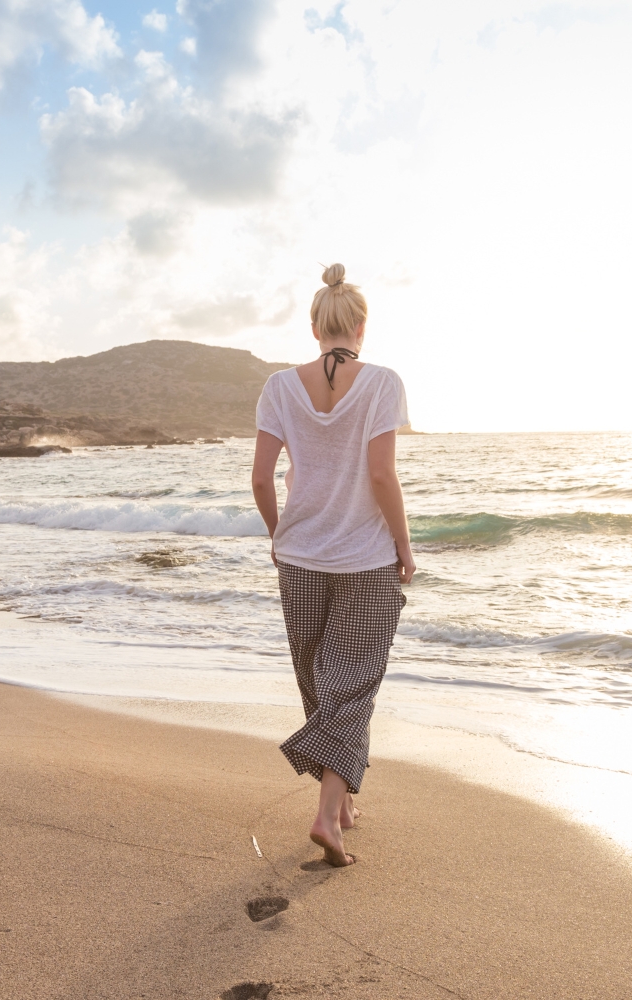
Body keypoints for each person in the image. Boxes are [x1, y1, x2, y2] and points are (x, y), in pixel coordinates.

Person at [251, 263, 415, 867]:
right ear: (362, 327)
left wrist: (280, 534)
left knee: (319, 682)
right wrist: (404, 544)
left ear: (315, 325)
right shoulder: (382, 383)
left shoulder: (277, 387)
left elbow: (262, 479)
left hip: (300, 557)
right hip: (365, 558)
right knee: (353, 682)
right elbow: (381, 475)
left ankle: (341, 804)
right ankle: (327, 816)